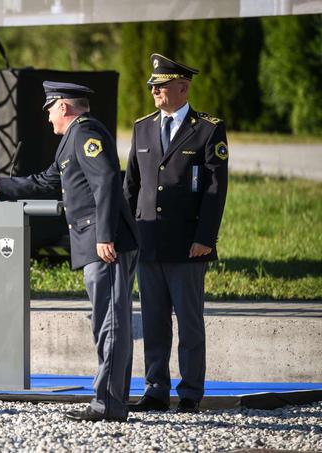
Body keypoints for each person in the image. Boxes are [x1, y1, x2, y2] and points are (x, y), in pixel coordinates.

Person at [0, 81, 139, 422]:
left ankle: (108, 405)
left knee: (111, 324)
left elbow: (107, 181)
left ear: (64, 106)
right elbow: (44, 182)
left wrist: (105, 234)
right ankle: (112, 400)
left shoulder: (85, 134)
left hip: (105, 244)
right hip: (95, 243)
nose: (48, 118)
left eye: (50, 110)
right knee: (107, 322)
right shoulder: (71, 140)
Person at [123, 54, 229, 413]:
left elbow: (215, 191)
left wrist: (206, 238)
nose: (154, 90)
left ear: (183, 88)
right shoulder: (143, 127)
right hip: (148, 243)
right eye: (152, 85)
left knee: (189, 322)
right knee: (153, 321)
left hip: (188, 246)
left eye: (162, 85)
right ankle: (155, 389)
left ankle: (190, 392)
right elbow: (131, 187)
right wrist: (126, 234)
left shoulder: (208, 129)